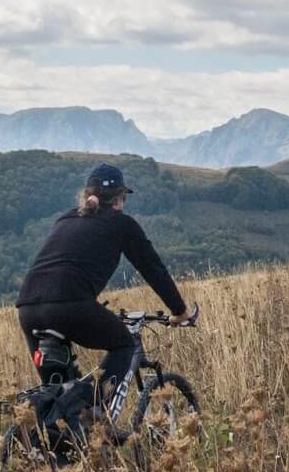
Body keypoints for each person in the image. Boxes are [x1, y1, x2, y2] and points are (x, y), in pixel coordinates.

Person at [16, 163, 195, 411]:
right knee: (125, 345)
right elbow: (153, 269)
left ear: (87, 195)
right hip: (70, 306)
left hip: (28, 309)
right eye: (123, 198)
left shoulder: (66, 218)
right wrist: (179, 310)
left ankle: (65, 426)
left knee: (57, 398)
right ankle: (95, 410)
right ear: (119, 199)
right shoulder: (122, 224)